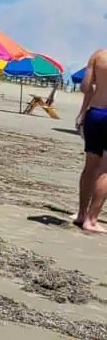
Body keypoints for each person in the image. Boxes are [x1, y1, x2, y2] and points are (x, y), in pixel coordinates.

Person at [75, 49, 107, 232]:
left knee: (90, 166)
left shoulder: (99, 55)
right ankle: (92, 219)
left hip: (95, 113)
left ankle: (81, 214)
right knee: (105, 169)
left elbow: (85, 87)